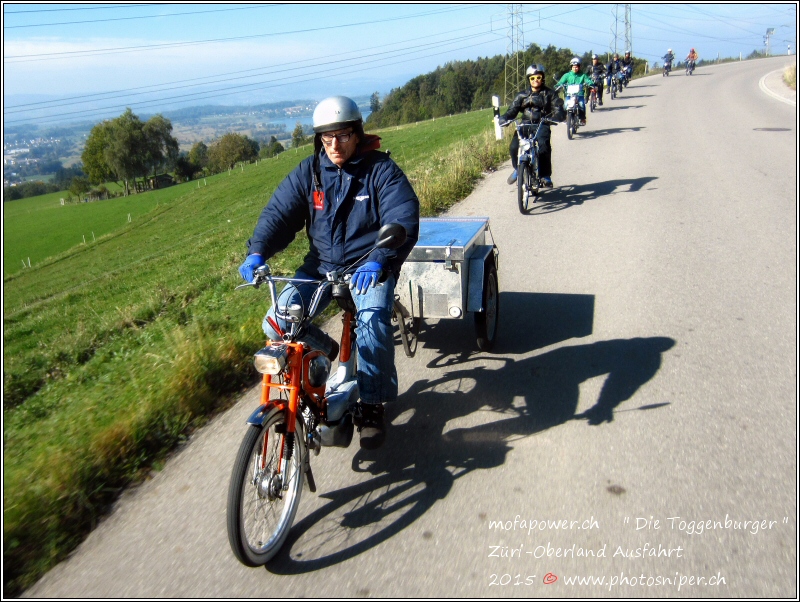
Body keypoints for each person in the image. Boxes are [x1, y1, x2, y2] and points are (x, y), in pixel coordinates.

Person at [238, 95, 420, 450]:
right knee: (276, 322)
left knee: (371, 321)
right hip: (320, 268)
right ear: (318, 139)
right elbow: (279, 214)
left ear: (357, 133)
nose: (335, 145)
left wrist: (380, 258)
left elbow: (403, 215)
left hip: (368, 266)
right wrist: (257, 251)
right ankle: (315, 370)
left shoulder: (380, 170)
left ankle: (371, 405)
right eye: (327, 137)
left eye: (343, 135)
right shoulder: (310, 174)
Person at [499, 64, 565, 187]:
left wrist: (557, 116)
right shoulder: (521, 95)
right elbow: (512, 110)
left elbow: (558, 108)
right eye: (532, 78)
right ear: (529, 79)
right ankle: (518, 169)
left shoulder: (550, 94)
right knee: (514, 147)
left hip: (542, 124)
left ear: (543, 78)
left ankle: (545, 175)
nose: (536, 81)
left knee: (543, 146)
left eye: (538, 77)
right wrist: (504, 118)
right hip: (525, 125)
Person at [556, 57, 594, 126]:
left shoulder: (583, 75)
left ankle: (582, 119)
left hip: (579, 94)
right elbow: (561, 82)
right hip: (569, 95)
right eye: (573, 67)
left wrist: (590, 83)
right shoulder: (567, 75)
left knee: (582, 105)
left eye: (576, 67)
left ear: (579, 67)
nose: (575, 68)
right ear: (571, 67)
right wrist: (558, 85)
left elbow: (588, 80)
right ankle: (565, 118)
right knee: (565, 105)